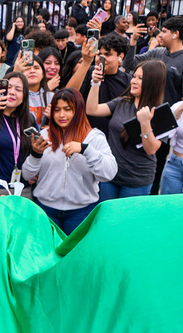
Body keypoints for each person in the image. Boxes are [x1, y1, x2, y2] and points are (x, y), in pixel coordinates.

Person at [23, 87, 117, 234]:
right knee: (48, 253)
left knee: (74, 255)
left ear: (78, 110)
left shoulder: (94, 137)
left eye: (68, 109)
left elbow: (109, 173)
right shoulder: (44, 135)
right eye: (57, 110)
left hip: (81, 212)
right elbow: (27, 175)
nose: (62, 115)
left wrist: (85, 150)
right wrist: (36, 154)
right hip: (46, 209)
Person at [86, 58, 166, 199]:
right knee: (107, 217)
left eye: (140, 78)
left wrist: (145, 123)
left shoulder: (159, 112)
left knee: (128, 220)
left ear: (152, 82)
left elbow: (151, 149)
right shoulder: (122, 102)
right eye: (134, 76)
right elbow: (92, 110)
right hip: (110, 175)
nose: (133, 81)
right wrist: (95, 83)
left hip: (137, 180)